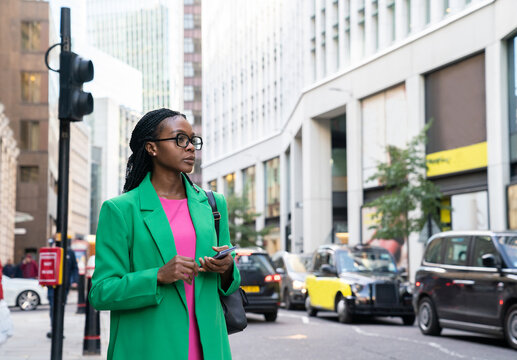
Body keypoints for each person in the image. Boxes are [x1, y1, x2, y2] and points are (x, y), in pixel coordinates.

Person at [89, 109, 241, 360]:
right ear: (152, 148)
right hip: (148, 348)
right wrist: (157, 276)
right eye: (180, 139)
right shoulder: (120, 210)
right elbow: (101, 292)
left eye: (193, 140)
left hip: (210, 349)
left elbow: (229, 284)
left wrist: (225, 268)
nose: (191, 147)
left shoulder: (214, 205)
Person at [46, 237, 79, 338]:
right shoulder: (50, 252)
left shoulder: (69, 253)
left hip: (64, 285)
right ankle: (54, 328)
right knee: (53, 306)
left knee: (61, 306)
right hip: (52, 285)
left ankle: (59, 329)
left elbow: (74, 268)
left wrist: (74, 280)